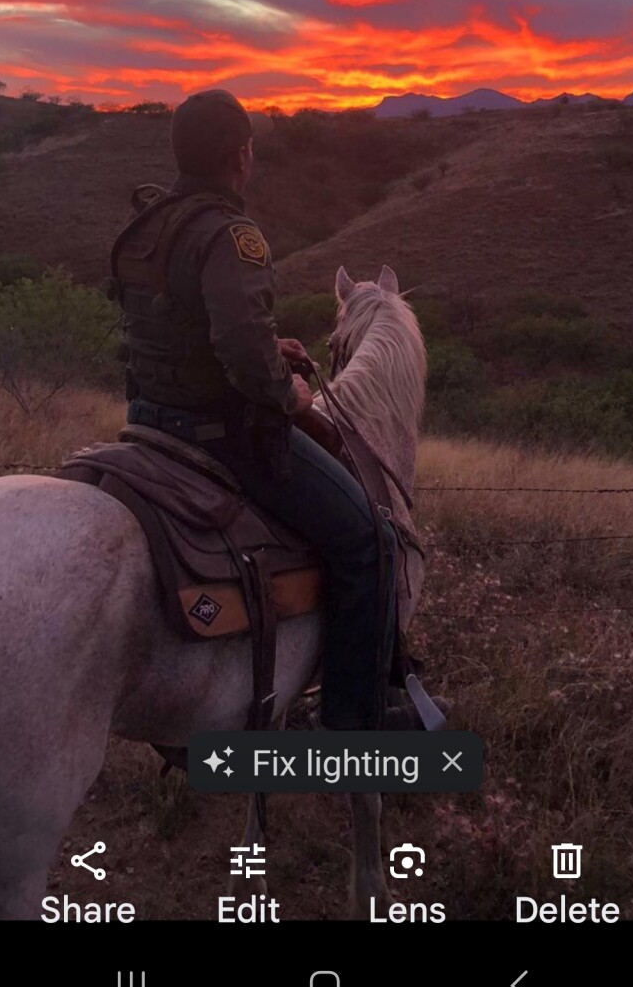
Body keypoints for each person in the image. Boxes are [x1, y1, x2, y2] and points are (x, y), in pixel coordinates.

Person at [111, 88, 423, 729]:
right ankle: (355, 720)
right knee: (371, 539)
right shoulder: (234, 235)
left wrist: (264, 346)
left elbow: (173, 327)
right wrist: (292, 394)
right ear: (241, 156)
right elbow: (240, 354)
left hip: (145, 419)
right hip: (223, 434)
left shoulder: (148, 223)